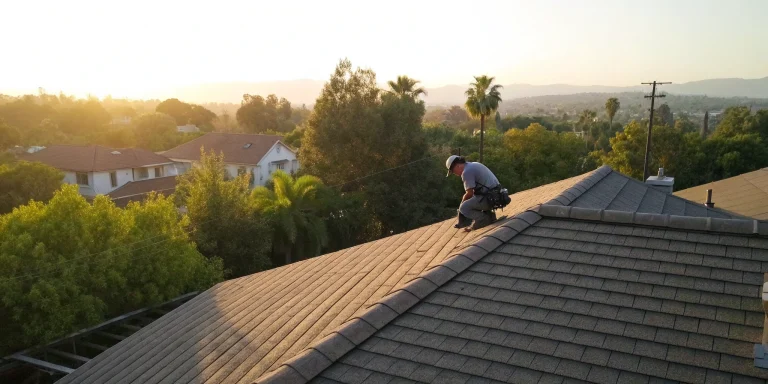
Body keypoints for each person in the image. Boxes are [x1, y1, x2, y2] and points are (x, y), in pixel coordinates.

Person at [446, 155, 501, 230]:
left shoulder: (466, 172)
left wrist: (460, 208)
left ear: (457, 166)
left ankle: (484, 219)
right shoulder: (473, 164)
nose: (455, 174)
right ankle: (490, 216)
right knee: (476, 198)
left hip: (491, 199)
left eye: (453, 171)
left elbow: (469, 193)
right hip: (497, 196)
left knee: (464, 208)